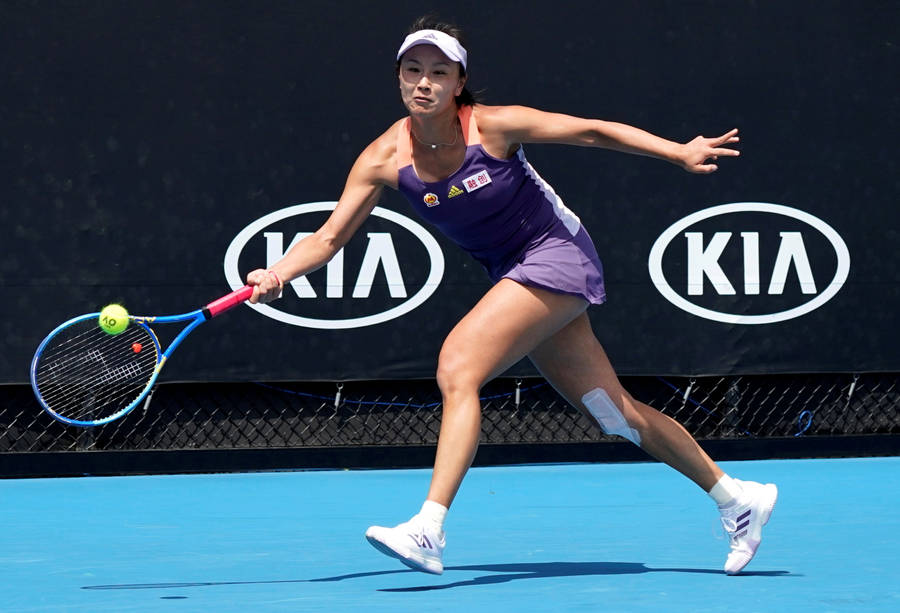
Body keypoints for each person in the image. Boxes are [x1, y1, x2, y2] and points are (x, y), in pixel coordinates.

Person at [246, 17, 777, 576]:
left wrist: (675, 152)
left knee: (458, 366)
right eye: (412, 71)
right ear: (399, 79)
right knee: (614, 415)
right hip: (514, 270)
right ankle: (737, 498)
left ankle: (429, 527)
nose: (423, 82)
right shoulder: (383, 158)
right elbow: (329, 237)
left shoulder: (493, 128)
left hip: (557, 254)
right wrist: (278, 274)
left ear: (458, 82)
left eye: (438, 73)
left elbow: (591, 130)